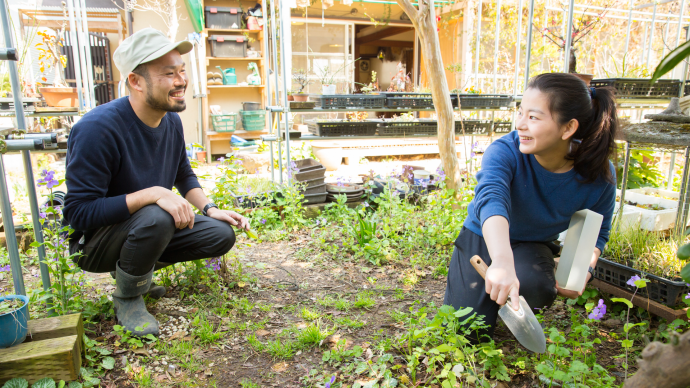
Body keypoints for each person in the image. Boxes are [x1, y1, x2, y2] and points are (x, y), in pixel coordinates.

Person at [63, 28, 250, 337]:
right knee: (156, 214)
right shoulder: (97, 129)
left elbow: (183, 173)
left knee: (220, 235)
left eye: (181, 71)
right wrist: (153, 193)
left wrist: (209, 207)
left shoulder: (170, 120)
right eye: (168, 74)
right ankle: (128, 296)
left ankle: (131, 270)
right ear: (136, 82)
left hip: (142, 227)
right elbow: (79, 214)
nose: (181, 81)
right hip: (95, 242)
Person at [444, 73, 617, 340]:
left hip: (531, 244)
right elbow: (492, 201)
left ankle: (509, 296)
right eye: (520, 113)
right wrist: (501, 262)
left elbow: (596, 228)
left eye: (533, 117)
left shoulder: (598, 174)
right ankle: (490, 294)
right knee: (464, 332)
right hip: (483, 237)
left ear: (568, 128)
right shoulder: (505, 152)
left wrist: (582, 267)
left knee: (536, 286)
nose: (520, 125)